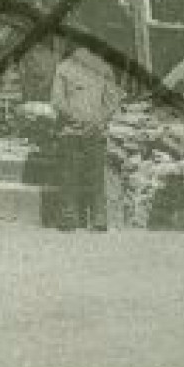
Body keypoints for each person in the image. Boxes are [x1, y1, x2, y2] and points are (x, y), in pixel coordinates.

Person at [49, 41, 126, 232]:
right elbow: (58, 101)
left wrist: (88, 122)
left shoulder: (69, 67)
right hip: (80, 131)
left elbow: (111, 101)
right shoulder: (69, 68)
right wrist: (94, 122)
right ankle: (88, 219)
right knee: (86, 176)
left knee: (76, 176)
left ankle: (82, 219)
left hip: (79, 131)